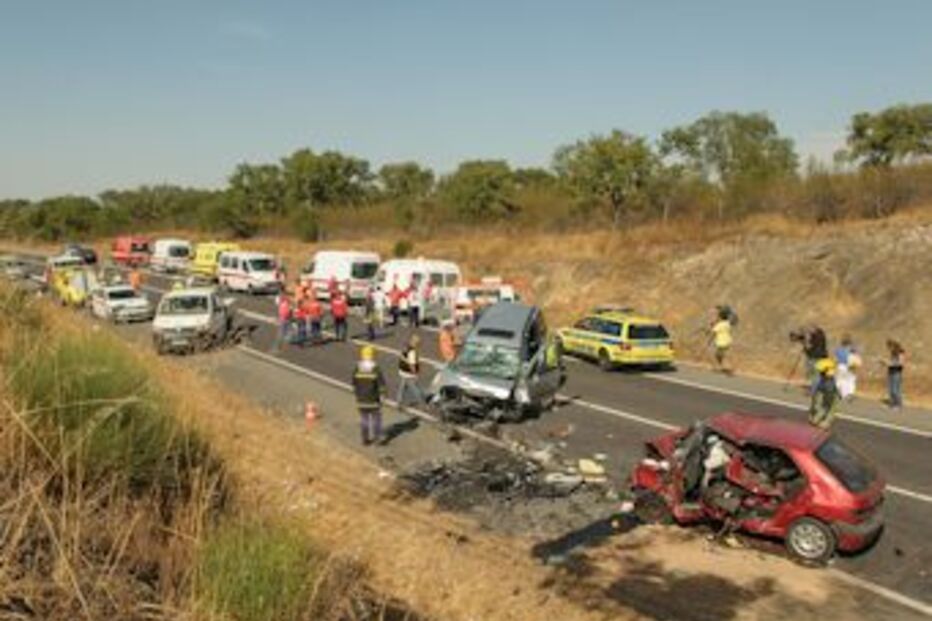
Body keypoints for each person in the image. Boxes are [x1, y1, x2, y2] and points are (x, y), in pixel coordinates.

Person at [352, 345, 387, 446]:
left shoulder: (357, 369)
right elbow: (381, 384)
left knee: (364, 420)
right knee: (376, 419)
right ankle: (377, 439)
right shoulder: (375, 369)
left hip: (361, 399)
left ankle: (365, 439)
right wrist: (383, 396)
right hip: (373, 399)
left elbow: (354, 383)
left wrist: (357, 394)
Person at [397, 333, 424, 414]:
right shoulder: (412, 352)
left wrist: (405, 360)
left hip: (402, 371)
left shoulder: (405, 347)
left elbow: (401, 356)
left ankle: (399, 403)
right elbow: (412, 365)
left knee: (402, 388)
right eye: (418, 343)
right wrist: (415, 374)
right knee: (415, 388)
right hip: (409, 373)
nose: (419, 345)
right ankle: (421, 402)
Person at [809, 356, 840, 429]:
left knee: (826, 405)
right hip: (830, 389)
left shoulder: (821, 377)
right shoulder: (830, 376)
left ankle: (819, 419)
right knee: (829, 406)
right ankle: (823, 420)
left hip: (827, 389)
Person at [834, 335, 859, 401]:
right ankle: (850, 394)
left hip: (840, 366)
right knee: (850, 380)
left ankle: (840, 392)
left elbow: (835, 359)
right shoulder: (852, 350)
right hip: (849, 366)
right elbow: (855, 358)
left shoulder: (838, 350)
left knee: (840, 380)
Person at [710, 307, 733, 374]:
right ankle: (723, 367)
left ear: (720, 317)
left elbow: (713, 332)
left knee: (719, 355)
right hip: (727, 342)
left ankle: (727, 367)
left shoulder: (719, 325)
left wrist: (712, 325)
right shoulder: (727, 324)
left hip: (721, 342)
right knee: (720, 355)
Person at [885, 339, 906, 410]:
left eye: (890, 347)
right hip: (891, 371)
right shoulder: (893, 353)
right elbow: (892, 361)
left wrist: (891, 364)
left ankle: (898, 404)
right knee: (891, 389)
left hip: (897, 372)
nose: (889, 349)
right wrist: (885, 362)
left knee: (896, 389)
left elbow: (901, 363)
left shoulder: (900, 352)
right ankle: (893, 403)